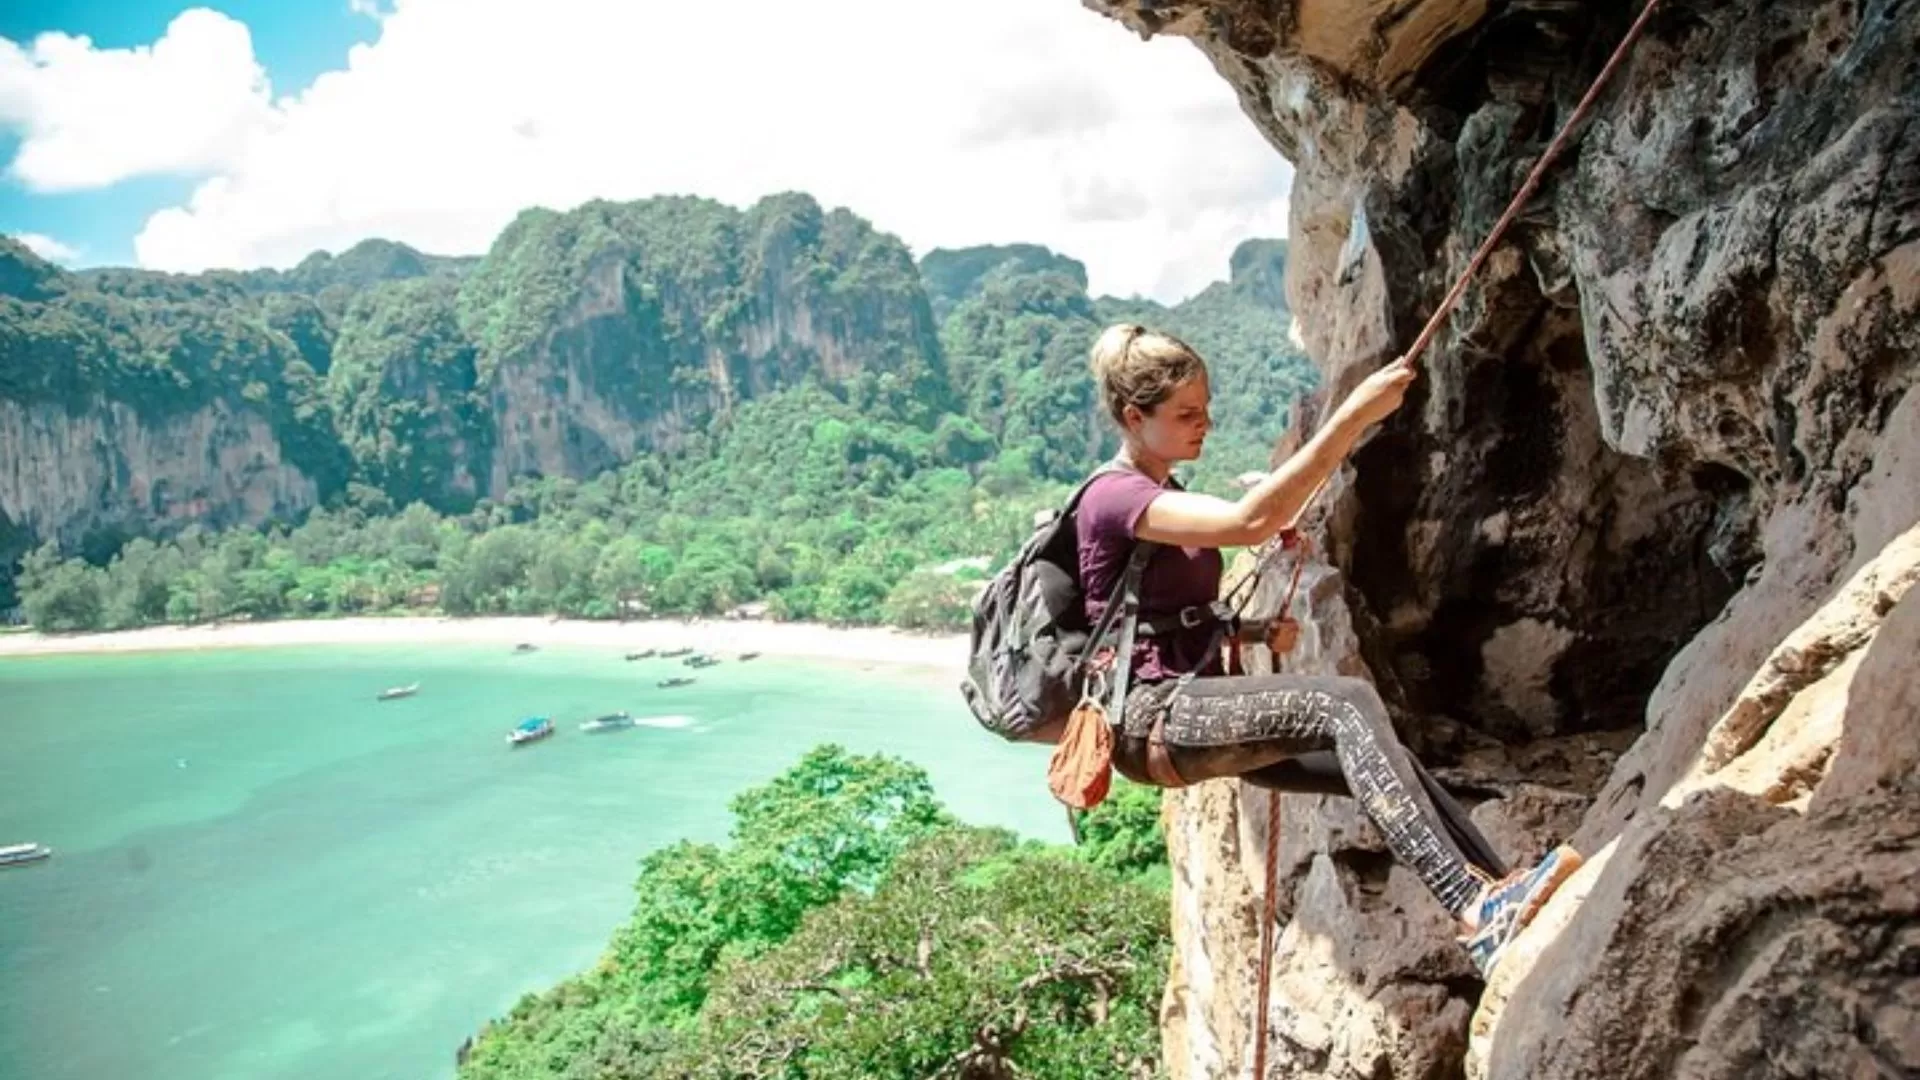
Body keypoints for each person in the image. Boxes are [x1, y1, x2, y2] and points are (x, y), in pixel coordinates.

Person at [1077, 322, 1582, 977]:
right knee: (1344, 703)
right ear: (1132, 417)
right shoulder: (1113, 497)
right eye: (1186, 414)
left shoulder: (1166, 498)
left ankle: (1494, 891)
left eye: (1205, 409)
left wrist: (1254, 633)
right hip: (1152, 719)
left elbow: (1168, 617)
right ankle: (1474, 908)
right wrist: (1351, 417)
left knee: (1381, 758)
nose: (1204, 423)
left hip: (1185, 710)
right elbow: (1245, 521)